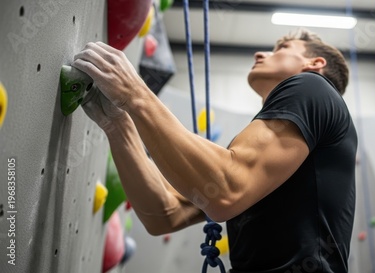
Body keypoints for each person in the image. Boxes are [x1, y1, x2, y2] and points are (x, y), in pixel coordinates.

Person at [73, 28, 357, 273]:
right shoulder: (272, 153)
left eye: (281, 48)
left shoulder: (311, 86)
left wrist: (134, 94)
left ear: (315, 63)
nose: (261, 54)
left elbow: (226, 189)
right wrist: (118, 125)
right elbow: (164, 214)